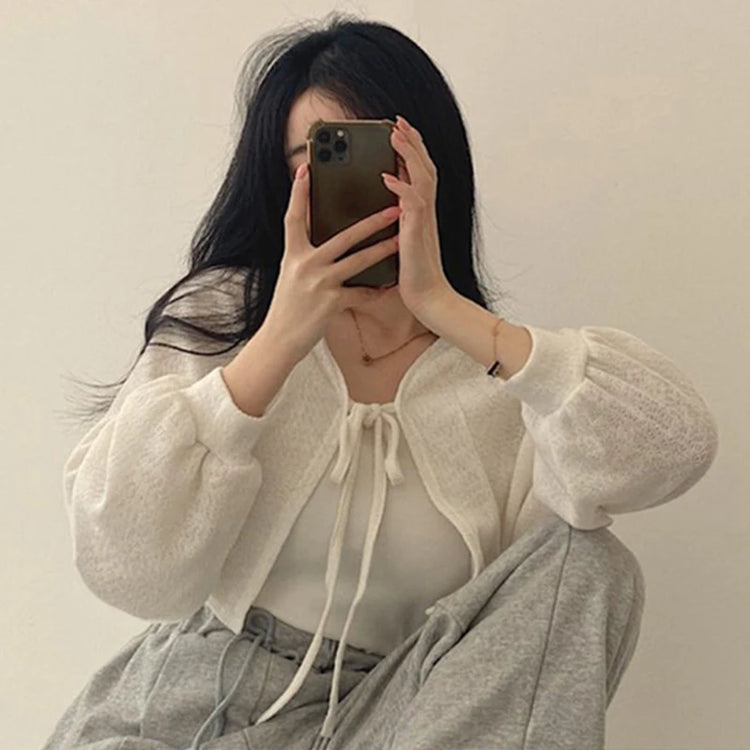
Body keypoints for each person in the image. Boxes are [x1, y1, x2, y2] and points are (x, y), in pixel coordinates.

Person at [45, 11, 719, 750]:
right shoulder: (225, 318)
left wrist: (447, 310)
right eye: (316, 159)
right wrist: (278, 341)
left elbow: (677, 445)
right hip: (200, 709)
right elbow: (129, 571)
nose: (353, 186)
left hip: (399, 717)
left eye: (378, 158)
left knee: (593, 563)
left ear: (431, 169)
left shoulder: (496, 379)